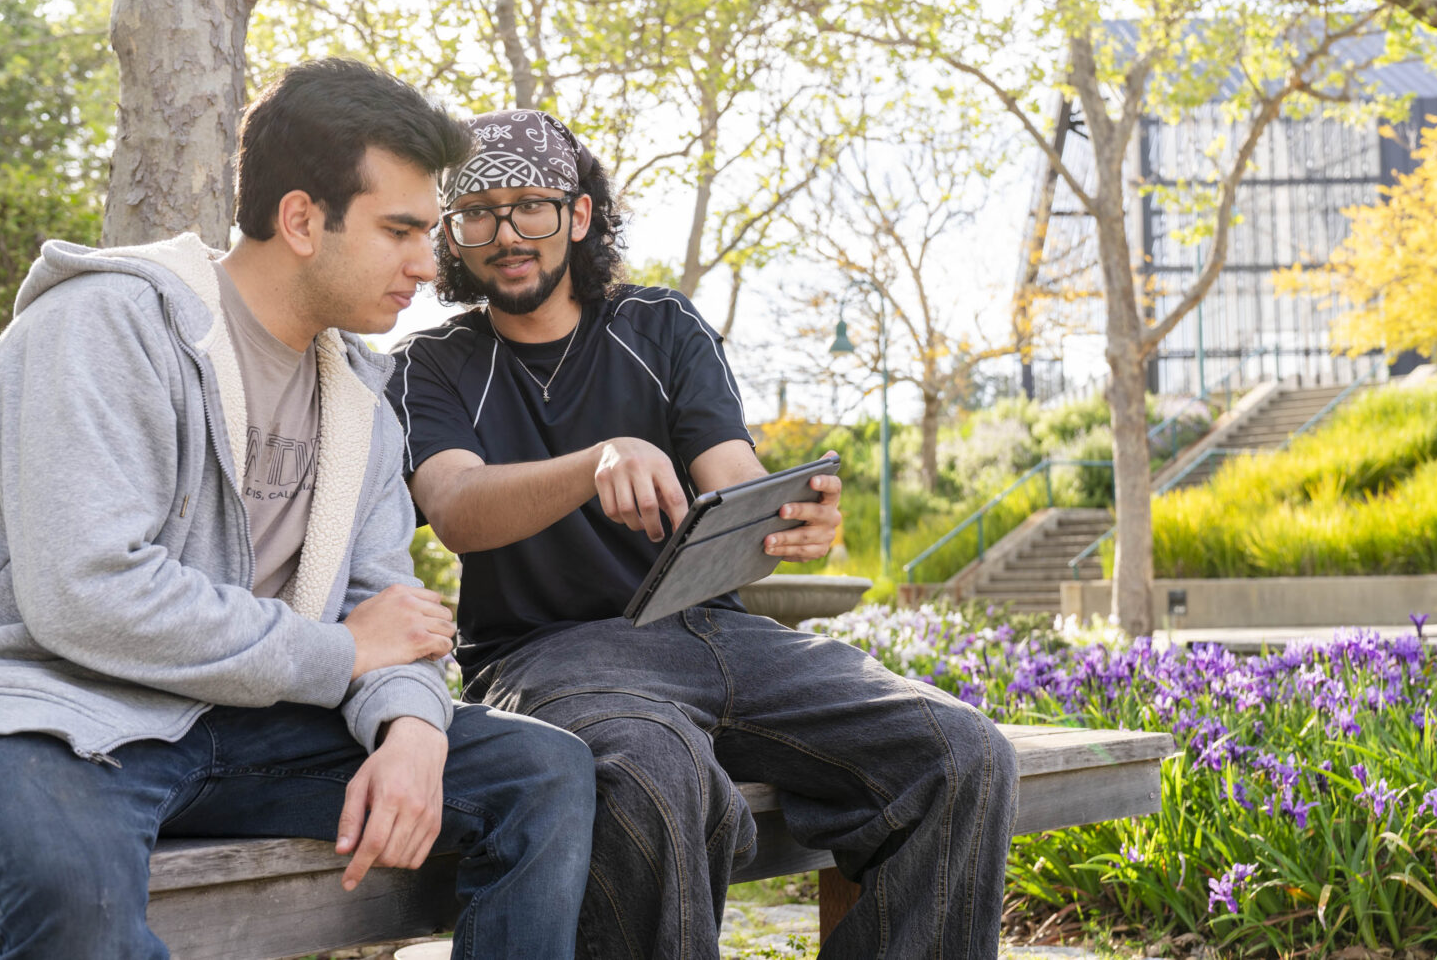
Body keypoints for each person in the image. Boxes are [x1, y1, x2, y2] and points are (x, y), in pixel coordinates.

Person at [0, 62, 595, 959]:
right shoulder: (105, 327)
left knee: (545, 771)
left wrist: (411, 726)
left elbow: (389, 614)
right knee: (80, 900)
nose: (429, 261)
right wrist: (339, 651)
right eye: (400, 230)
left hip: (240, 725)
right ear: (300, 219)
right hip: (45, 717)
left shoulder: (362, 397)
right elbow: (85, 590)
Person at [389, 108, 1019, 959]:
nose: (507, 233)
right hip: (549, 656)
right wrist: (594, 461)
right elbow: (457, 505)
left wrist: (793, 517)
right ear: (454, 236)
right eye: (479, 213)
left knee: (962, 751)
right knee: (655, 777)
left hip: (718, 631)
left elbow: (733, 480)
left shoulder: (661, 325)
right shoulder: (430, 365)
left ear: (577, 216)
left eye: (531, 205)